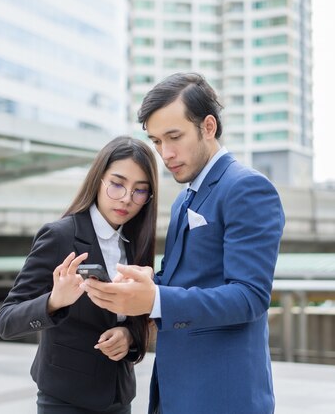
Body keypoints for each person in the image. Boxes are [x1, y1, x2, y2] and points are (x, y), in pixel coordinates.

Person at [82, 73, 285, 414]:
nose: (165, 153)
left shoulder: (247, 188)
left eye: (174, 137)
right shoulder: (184, 200)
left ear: (208, 126)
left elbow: (250, 296)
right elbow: (184, 280)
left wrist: (156, 298)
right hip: (176, 391)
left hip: (223, 396)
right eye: (157, 141)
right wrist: (145, 286)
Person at [0, 135, 159, 414]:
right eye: (117, 184)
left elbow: (141, 316)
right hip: (65, 399)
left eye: (139, 191)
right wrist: (54, 301)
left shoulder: (137, 244)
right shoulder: (60, 236)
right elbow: (6, 320)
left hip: (119, 399)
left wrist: (129, 336)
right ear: (98, 180)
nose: (126, 199)